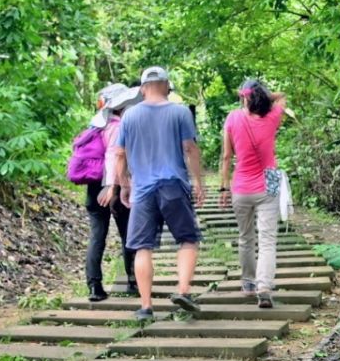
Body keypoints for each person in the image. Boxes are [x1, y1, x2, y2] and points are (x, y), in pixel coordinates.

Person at [104, 66, 205, 321]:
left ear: (142, 88)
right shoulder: (180, 112)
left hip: (143, 190)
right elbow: (191, 149)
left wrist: (124, 185)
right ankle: (183, 290)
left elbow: (119, 154)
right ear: (166, 85)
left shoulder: (129, 116)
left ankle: (146, 306)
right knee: (188, 239)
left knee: (142, 247)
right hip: (173, 186)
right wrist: (199, 183)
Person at [219, 78, 286, 308]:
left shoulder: (232, 118)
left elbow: (226, 156)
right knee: (268, 239)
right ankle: (264, 287)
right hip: (270, 180)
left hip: (241, 183)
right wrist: (265, 96)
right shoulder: (273, 116)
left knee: (245, 237)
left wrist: (223, 188)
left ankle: (248, 283)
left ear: (243, 97)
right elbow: (282, 96)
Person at [85, 83, 140, 302]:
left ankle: (94, 285)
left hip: (93, 186)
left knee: (97, 236)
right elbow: (115, 157)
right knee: (128, 234)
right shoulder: (119, 126)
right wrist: (117, 187)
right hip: (114, 187)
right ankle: (133, 281)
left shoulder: (95, 125)